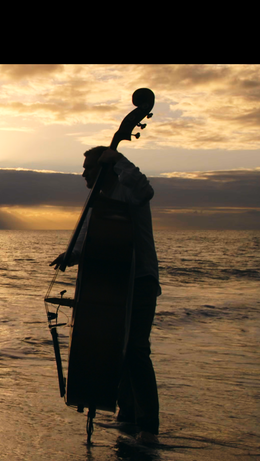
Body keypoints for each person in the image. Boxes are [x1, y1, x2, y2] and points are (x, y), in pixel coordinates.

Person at [51, 146, 161, 444]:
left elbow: (145, 190)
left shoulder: (128, 189)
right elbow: (90, 237)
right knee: (118, 351)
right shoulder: (99, 199)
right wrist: (70, 254)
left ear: (105, 167)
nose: (84, 172)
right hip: (115, 281)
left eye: (89, 167)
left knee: (135, 350)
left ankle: (149, 427)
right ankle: (127, 416)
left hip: (139, 279)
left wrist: (121, 160)